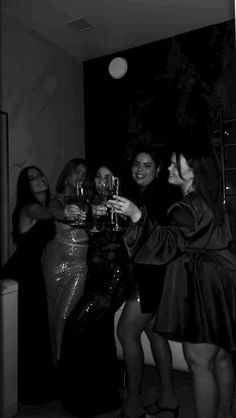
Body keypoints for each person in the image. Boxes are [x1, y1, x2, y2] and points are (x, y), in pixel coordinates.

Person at [111, 127, 236, 418]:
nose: (168, 166)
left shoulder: (187, 206)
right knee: (220, 359)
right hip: (220, 284)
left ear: (191, 171)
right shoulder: (210, 200)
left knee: (199, 363)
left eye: (173, 163)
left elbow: (165, 245)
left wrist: (136, 215)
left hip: (203, 287)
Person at [59, 162, 132, 418]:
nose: (103, 181)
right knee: (98, 335)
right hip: (95, 277)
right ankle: (102, 398)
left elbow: (131, 227)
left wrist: (115, 212)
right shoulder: (90, 204)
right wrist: (74, 213)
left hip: (115, 277)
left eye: (108, 177)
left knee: (76, 326)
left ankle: (87, 397)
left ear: (116, 181)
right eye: (99, 177)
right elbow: (70, 219)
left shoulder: (121, 204)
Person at [112, 147, 180, 418]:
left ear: (158, 170)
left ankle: (134, 402)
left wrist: (134, 214)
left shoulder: (162, 195)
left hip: (150, 277)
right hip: (149, 274)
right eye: (137, 164)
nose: (140, 169)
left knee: (126, 333)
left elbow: (161, 238)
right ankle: (169, 399)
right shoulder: (142, 194)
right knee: (155, 335)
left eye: (148, 165)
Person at [0, 166, 55, 404]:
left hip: (33, 272)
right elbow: (53, 214)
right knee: (27, 330)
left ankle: (34, 387)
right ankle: (25, 391)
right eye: (32, 178)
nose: (39, 179)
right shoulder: (31, 207)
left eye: (41, 174)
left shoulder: (46, 205)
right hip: (22, 272)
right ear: (26, 186)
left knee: (34, 328)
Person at [42, 158, 89, 363]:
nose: (81, 176)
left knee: (66, 317)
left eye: (84, 174)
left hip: (79, 265)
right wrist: (66, 214)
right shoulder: (57, 199)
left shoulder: (87, 200)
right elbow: (53, 211)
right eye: (77, 172)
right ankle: (55, 366)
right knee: (53, 316)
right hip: (55, 262)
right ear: (67, 174)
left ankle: (65, 366)